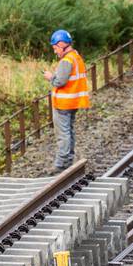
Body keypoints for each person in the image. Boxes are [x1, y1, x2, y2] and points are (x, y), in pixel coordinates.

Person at [44, 29, 90, 171]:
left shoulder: (66, 61)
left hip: (64, 103)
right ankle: (68, 160)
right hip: (73, 102)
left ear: (62, 44)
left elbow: (59, 82)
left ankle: (61, 163)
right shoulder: (76, 57)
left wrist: (50, 76)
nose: (55, 51)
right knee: (69, 131)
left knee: (63, 133)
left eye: (55, 47)